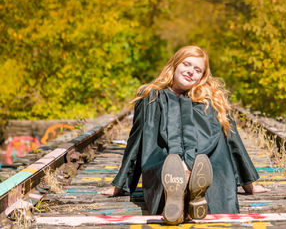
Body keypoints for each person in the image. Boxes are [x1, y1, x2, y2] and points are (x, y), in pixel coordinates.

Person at [101, 46, 268, 224]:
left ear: (203, 76)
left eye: (197, 70)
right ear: (174, 64)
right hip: (165, 163)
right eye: (186, 64)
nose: (190, 72)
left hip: (206, 162)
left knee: (204, 168)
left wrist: (249, 184)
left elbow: (232, 139)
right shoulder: (151, 97)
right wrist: (119, 185)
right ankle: (184, 191)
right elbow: (137, 140)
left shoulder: (210, 99)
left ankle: (186, 190)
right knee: (170, 168)